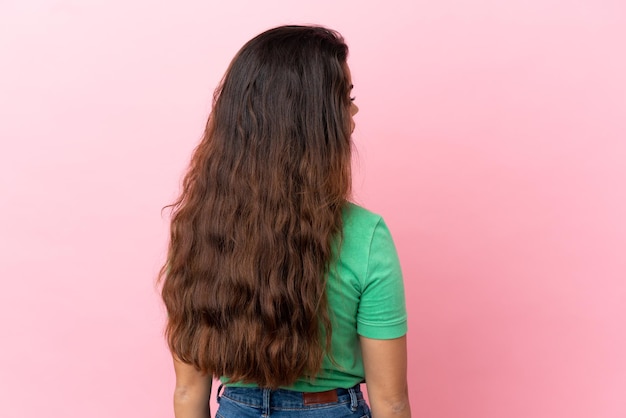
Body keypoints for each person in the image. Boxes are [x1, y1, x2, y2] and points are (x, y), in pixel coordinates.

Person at [159, 25, 410, 418]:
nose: (354, 112)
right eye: (345, 99)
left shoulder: (198, 232)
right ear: (315, 120)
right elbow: (391, 402)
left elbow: (189, 394)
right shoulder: (366, 235)